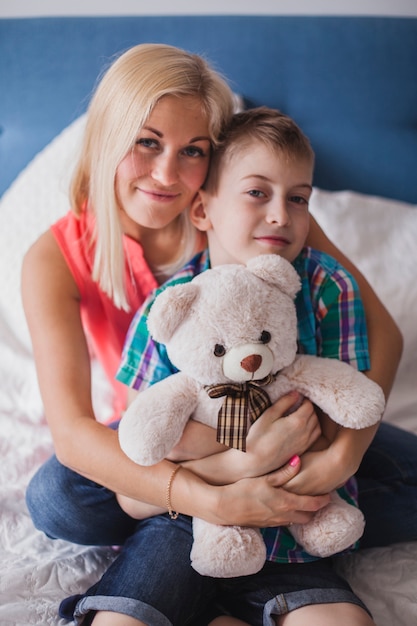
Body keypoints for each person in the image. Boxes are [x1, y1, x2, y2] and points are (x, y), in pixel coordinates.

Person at [19, 43, 409, 626]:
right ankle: (213, 531)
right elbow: (75, 434)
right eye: (146, 142)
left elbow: (385, 335)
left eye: (193, 151)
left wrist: (339, 460)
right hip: (167, 434)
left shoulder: (251, 207)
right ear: (107, 136)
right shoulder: (55, 256)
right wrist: (223, 486)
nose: (166, 174)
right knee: (58, 495)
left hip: (287, 416)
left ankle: (253, 543)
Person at [113, 107, 377, 626]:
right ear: (202, 209)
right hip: (183, 522)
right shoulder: (169, 308)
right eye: (257, 192)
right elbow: (136, 475)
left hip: (295, 519)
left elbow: (345, 415)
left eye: (298, 198)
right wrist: (228, 468)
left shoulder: (326, 288)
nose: (281, 213)